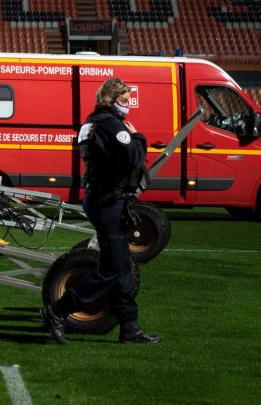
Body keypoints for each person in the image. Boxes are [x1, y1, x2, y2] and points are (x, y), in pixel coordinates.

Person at [44, 77, 160, 344]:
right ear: (110, 99)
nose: (128, 106)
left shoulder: (91, 122)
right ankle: (58, 310)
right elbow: (133, 157)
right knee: (113, 269)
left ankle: (129, 326)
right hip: (108, 200)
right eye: (124, 100)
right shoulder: (110, 123)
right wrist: (137, 135)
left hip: (102, 198)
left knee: (121, 270)